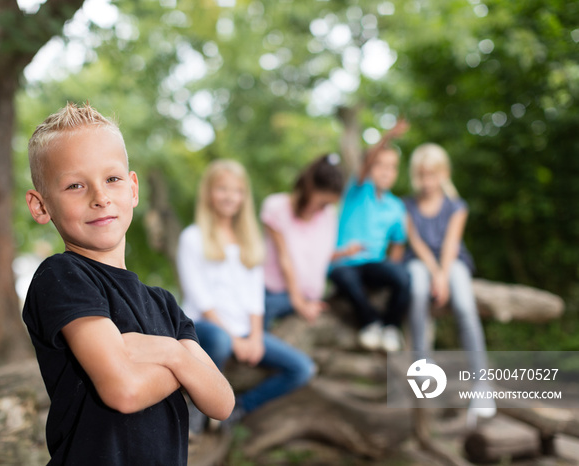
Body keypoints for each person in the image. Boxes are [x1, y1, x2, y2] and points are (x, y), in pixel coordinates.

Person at [21, 103, 234, 465]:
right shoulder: (61, 276)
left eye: (112, 179)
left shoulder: (164, 303)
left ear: (133, 188)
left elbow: (221, 401)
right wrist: (185, 368)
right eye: (75, 185)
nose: (100, 197)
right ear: (41, 206)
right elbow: (123, 390)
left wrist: (168, 353)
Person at [176, 159, 315, 435]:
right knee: (219, 340)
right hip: (204, 327)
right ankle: (193, 408)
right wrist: (234, 338)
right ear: (209, 193)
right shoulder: (192, 238)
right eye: (222, 189)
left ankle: (237, 408)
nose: (230, 196)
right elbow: (201, 298)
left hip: (242, 330)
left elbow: (254, 296)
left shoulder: (249, 241)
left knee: (302, 369)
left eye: (237, 190)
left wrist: (253, 336)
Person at [404, 142, 495, 425]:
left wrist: (442, 277)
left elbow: (451, 244)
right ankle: (422, 367)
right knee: (417, 290)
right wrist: (433, 273)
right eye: (422, 175)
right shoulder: (405, 205)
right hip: (419, 261)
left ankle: (482, 384)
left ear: (444, 173)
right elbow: (416, 243)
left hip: (451, 261)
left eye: (433, 174)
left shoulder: (456, 206)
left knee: (465, 307)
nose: (427, 181)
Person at [328, 120, 411, 352]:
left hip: (373, 265)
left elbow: (398, 243)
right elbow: (368, 161)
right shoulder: (359, 189)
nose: (386, 171)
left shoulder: (396, 206)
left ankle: (391, 327)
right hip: (344, 263)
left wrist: (392, 271)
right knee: (345, 277)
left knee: (402, 276)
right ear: (370, 167)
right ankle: (370, 322)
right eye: (380, 165)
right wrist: (388, 137)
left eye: (392, 166)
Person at [261, 153, 345, 327]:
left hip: (309, 295)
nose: (323, 209)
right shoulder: (276, 207)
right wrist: (299, 302)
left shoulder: (328, 215)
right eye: (322, 203)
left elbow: (319, 256)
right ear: (309, 188)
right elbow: (285, 258)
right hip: (275, 293)